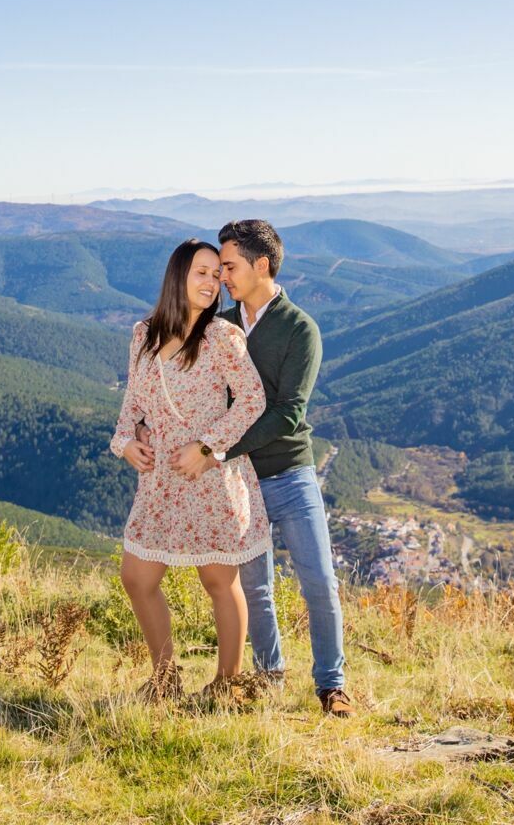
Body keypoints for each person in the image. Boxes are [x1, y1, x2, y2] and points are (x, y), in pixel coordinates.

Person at [142, 218, 352, 717]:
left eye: (230, 266)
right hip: (238, 480)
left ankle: (332, 686)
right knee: (254, 588)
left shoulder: (299, 329)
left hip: (290, 474)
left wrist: (213, 450)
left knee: (319, 582)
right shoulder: (219, 326)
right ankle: (267, 678)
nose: (222, 277)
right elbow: (185, 393)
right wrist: (147, 428)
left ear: (262, 266)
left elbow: (287, 413)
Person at [109, 238, 270, 704]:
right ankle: (164, 680)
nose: (212, 282)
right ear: (177, 276)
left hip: (209, 478)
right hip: (159, 483)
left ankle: (227, 686)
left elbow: (253, 400)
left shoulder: (221, 337)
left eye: (217, 275)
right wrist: (125, 443)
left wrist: (206, 448)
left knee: (219, 581)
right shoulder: (143, 335)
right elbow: (132, 405)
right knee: (137, 578)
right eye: (202, 272)